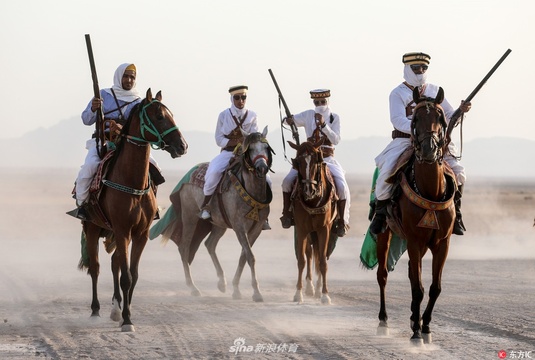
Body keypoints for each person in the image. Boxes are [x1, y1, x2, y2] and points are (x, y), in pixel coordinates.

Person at [369, 52, 471, 236]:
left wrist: (460, 111)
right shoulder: (397, 93)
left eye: (424, 68)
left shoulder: (435, 90)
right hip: (404, 140)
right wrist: (420, 130)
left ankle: (457, 212)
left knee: (459, 173)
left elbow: (448, 115)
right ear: (408, 69)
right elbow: (397, 119)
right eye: (416, 68)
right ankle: (380, 214)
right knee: (385, 175)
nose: (420, 71)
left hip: (435, 141)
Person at [73, 63, 164, 220]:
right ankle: (83, 205)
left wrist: (122, 128)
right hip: (104, 142)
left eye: (132, 77)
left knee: (154, 167)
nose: (129, 80)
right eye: (126, 76)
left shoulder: (138, 102)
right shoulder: (103, 95)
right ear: (118, 76)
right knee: (89, 168)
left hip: (128, 145)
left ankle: (151, 205)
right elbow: (86, 119)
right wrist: (94, 109)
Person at [199, 85, 272, 229]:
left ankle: (263, 214)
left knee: (267, 179)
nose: (240, 101)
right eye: (237, 98)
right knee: (213, 172)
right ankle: (206, 206)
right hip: (228, 152)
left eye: (243, 97)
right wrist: (234, 141)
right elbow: (218, 139)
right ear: (232, 99)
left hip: (247, 153)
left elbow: (255, 136)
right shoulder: (224, 115)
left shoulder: (252, 115)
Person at [280, 89, 351, 237]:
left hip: (327, 159)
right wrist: (288, 119)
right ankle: (287, 214)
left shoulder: (334, 118)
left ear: (328, 101)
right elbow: (288, 121)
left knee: (343, 187)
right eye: (316, 102)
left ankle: (342, 221)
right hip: (308, 159)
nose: (320, 105)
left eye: (323, 102)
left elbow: (336, 140)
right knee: (286, 182)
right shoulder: (307, 115)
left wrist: (324, 126)